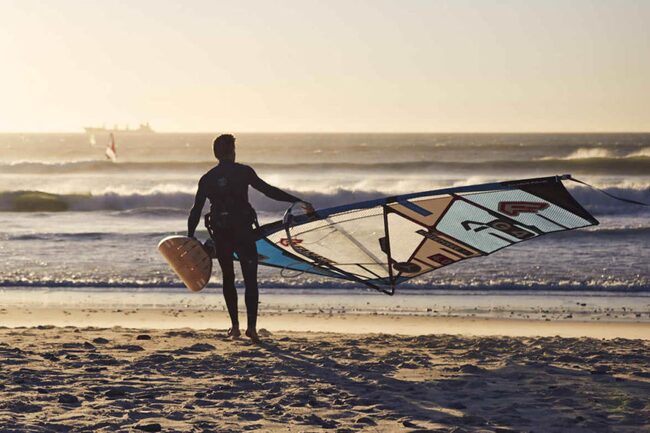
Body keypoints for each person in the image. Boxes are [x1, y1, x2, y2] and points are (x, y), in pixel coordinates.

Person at [187, 134, 312, 343]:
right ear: (231, 152)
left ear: (216, 153)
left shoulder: (207, 178)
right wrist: (297, 201)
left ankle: (235, 327)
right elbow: (268, 191)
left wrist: (190, 237)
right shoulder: (243, 172)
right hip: (243, 231)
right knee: (250, 280)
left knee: (228, 277)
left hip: (221, 233)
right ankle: (251, 329)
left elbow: (196, 210)